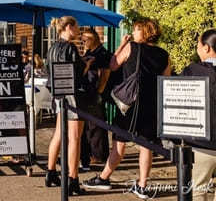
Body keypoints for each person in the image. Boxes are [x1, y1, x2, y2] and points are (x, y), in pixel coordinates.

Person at [83, 19, 171, 199]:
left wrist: (122, 44)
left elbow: (113, 64)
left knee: (119, 141)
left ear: (144, 32)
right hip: (151, 105)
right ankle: (142, 185)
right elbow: (165, 80)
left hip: (130, 104)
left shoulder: (132, 47)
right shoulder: (164, 54)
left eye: (136, 29)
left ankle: (104, 178)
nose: (133, 32)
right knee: (146, 145)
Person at [45, 16, 94, 195]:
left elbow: (48, 70)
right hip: (73, 97)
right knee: (74, 138)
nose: (79, 30)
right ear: (67, 27)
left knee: (58, 134)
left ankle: (50, 173)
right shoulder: (71, 48)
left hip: (58, 95)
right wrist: (87, 64)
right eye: (77, 26)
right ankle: (73, 179)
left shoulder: (52, 48)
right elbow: (78, 74)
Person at [181, 29, 216, 200]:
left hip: (202, 143)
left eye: (199, 45)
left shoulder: (193, 70)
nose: (197, 48)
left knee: (197, 190)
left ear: (207, 48)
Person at [79, 28, 112, 171]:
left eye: (85, 39)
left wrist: (99, 93)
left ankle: (99, 155)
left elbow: (105, 76)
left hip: (95, 93)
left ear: (93, 39)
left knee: (96, 125)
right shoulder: (89, 52)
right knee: (89, 126)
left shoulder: (102, 54)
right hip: (87, 91)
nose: (83, 42)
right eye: (82, 39)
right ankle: (93, 154)